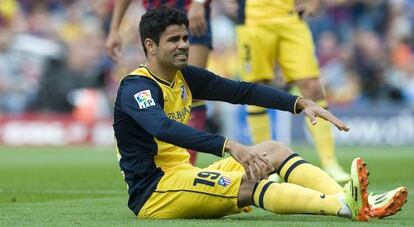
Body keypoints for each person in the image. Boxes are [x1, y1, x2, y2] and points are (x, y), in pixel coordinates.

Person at [113, 6, 407, 220]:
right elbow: (162, 127)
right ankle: (343, 208)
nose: (184, 46)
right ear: (150, 46)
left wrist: (300, 103)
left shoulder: (185, 76)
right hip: (155, 192)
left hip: (184, 175)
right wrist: (228, 145)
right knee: (251, 184)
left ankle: (351, 198)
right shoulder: (137, 88)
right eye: (174, 40)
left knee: (274, 150)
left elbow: (243, 91)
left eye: (186, 39)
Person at [235, 0, 352, 182]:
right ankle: (266, 165)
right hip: (253, 19)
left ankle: (330, 162)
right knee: (255, 90)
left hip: (290, 17)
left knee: (312, 86)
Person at [107, 0, 213, 165]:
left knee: (193, 90)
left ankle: (186, 163)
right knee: (159, 85)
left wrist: (199, 3)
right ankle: (162, 159)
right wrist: (114, 28)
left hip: (190, 10)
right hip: (155, 18)